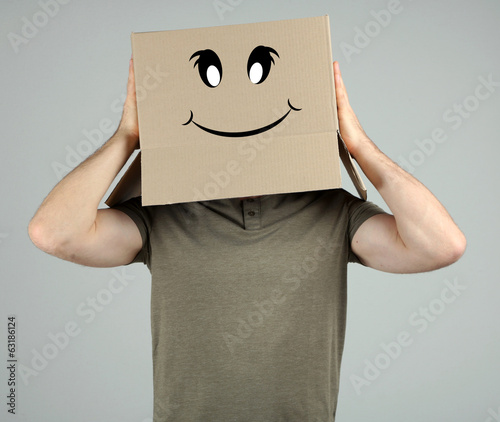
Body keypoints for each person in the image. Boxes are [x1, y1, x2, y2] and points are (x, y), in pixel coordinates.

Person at [28, 57, 466, 421]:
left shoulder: (334, 211)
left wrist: (359, 145)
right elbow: (54, 233)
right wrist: (128, 137)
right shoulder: (163, 214)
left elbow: (441, 246)